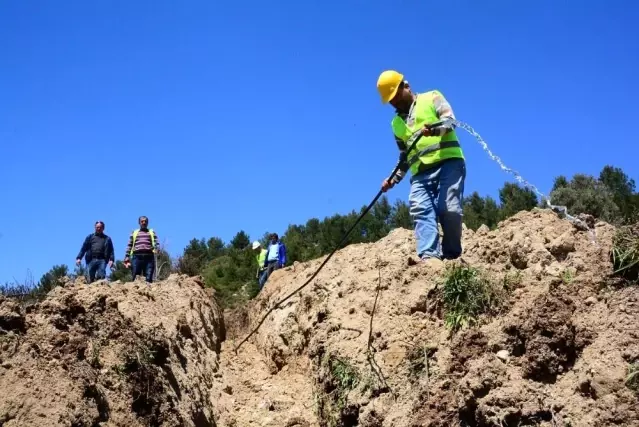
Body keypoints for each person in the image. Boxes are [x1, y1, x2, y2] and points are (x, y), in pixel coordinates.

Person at [377, 70, 466, 262]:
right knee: (421, 210)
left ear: (406, 86)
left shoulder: (432, 97)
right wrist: (392, 179)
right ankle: (429, 260)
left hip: (448, 163)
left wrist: (434, 129)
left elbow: (450, 121)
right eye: (391, 100)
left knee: (448, 208)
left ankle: (451, 256)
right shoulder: (396, 124)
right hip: (420, 175)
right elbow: (405, 156)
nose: (395, 102)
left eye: (396, 96)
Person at [123, 216, 159, 283]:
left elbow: (156, 242)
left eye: (145, 221)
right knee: (136, 277)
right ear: (139, 223)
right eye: (142, 221)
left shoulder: (151, 232)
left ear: (147, 223)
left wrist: (157, 248)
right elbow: (129, 244)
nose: (144, 223)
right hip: (137, 256)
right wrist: (127, 257)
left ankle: (148, 291)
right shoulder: (134, 232)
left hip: (149, 256)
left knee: (148, 277)